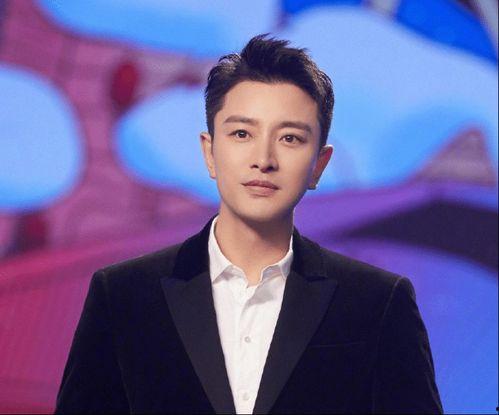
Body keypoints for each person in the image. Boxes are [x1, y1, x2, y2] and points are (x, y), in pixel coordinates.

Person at [55, 34, 443, 414]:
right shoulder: (122, 297)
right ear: (210, 152)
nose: (264, 159)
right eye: (242, 133)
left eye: (290, 138)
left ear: (319, 165)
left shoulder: (378, 303)